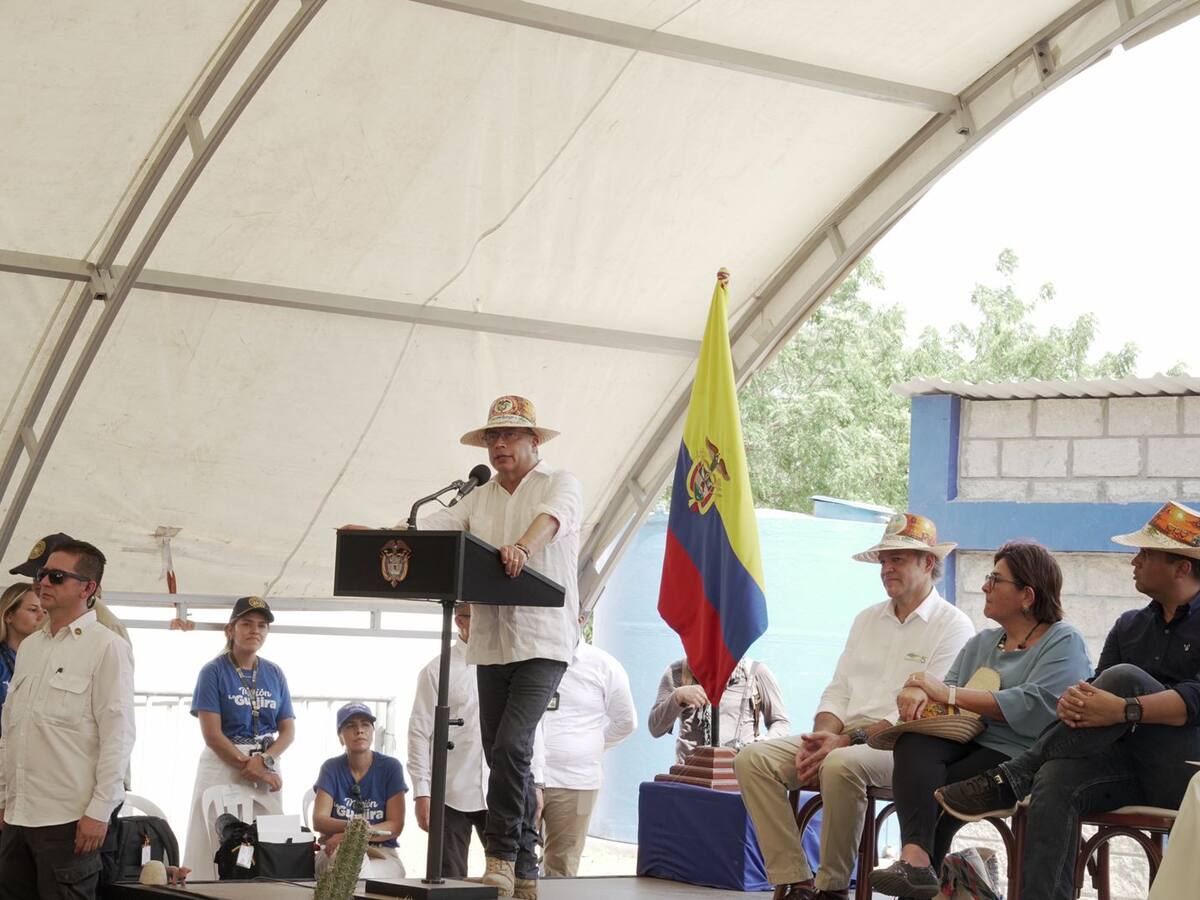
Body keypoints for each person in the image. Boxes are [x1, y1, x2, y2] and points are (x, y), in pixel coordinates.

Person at [936, 500, 1200, 900]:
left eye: (1146, 554)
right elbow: (1095, 690)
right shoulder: (1129, 625)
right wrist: (1073, 704)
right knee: (1055, 777)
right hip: (1124, 764)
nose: (1134, 562)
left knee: (1125, 678)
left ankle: (1012, 775)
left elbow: (1195, 699)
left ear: (1182, 566)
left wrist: (1126, 709)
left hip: (1184, 773)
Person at [733, 512, 975, 900]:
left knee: (840, 764)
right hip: (844, 736)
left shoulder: (954, 626)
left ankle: (832, 888)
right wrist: (824, 735)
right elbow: (838, 689)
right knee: (752, 760)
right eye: (883, 560)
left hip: (906, 746)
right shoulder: (866, 619)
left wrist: (844, 741)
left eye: (897, 558)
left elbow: (922, 716)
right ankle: (794, 881)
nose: (886, 568)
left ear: (928, 563)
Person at [417, 395, 582, 900]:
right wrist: (384, 536)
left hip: (544, 639)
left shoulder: (560, 482)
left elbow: (551, 521)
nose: (500, 444)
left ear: (535, 441)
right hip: (489, 642)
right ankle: (527, 867)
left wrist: (522, 548)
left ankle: (502, 858)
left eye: (510, 435)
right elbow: (436, 529)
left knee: (512, 746)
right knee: (503, 754)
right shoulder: (478, 497)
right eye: (493, 437)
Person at [868, 541, 1092, 898]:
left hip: (1022, 758)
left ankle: (920, 875)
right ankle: (915, 860)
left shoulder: (1063, 640)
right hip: (970, 743)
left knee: (939, 796)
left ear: (1027, 595)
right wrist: (918, 690)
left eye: (995, 579)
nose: (985, 586)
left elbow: (1038, 706)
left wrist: (946, 693)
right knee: (913, 742)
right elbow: (945, 690)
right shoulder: (983, 642)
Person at [0, 539, 135, 900]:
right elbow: (11, 729)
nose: (43, 582)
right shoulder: (30, 647)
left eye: (56, 576)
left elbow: (118, 736)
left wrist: (100, 811)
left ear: (87, 588)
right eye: (42, 575)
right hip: (18, 816)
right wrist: (2, 799)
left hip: (69, 821)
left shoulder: (107, 646)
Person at [182, 596, 296, 879]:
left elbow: (288, 730)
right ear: (230, 629)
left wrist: (264, 760)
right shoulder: (213, 671)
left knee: (268, 838)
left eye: (261, 625)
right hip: (223, 762)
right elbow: (212, 734)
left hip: (266, 760)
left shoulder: (274, 672)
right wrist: (247, 764)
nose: (254, 630)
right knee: (216, 838)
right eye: (246, 623)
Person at [539, 627, 637, 876]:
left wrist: (589, 745)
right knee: (517, 859)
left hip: (577, 781)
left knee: (562, 863)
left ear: (581, 619)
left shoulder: (604, 665)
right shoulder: (531, 657)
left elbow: (625, 721)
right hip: (527, 778)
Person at [313, 702, 407, 878]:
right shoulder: (331, 768)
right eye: (350, 726)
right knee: (352, 864)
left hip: (383, 853)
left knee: (361, 874)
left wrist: (351, 835)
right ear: (341, 736)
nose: (359, 730)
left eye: (365, 724)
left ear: (372, 731)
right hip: (335, 849)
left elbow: (395, 825)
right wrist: (352, 832)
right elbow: (319, 820)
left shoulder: (391, 767)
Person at [649, 656, 789, 764]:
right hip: (689, 777)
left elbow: (780, 721)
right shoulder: (679, 671)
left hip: (739, 776)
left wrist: (762, 746)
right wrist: (677, 697)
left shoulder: (756, 672)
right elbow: (655, 728)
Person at [8, 532, 130, 646]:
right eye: (39, 575)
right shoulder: (46, 624)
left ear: (85, 585)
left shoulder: (109, 630)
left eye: (55, 576)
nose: (43, 582)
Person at [0, 583, 43, 733]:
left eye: (44, 610)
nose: (41, 616)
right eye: (33, 610)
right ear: (9, 615)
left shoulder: (46, 659)